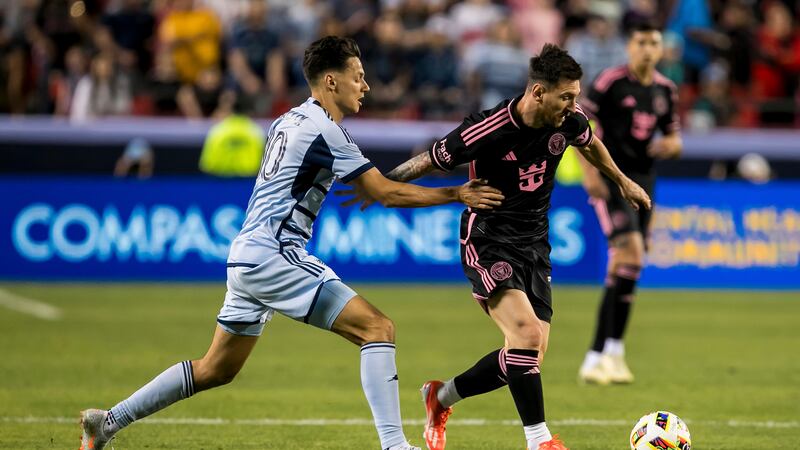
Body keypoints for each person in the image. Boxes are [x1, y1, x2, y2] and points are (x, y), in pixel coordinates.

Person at [78, 36, 505, 450]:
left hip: (246, 255)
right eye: (358, 75)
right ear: (331, 81)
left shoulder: (289, 120)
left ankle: (108, 422)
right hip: (274, 254)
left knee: (215, 369)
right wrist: (457, 194)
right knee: (378, 328)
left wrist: (378, 186)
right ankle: (395, 446)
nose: (366, 85)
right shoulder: (327, 130)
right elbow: (385, 193)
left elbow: (374, 187)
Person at [354, 44, 651, 450]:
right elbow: (428, 159)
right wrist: (381, 184)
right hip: (488, 239)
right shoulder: (489, 127)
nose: (573, 105)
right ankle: (540, 440)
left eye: (576, 96)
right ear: (537, 92)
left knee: (526, 354)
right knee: (526, 336)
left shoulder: (569, 120)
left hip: (535, 243)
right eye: (566, 97)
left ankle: (439, 397)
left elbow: (590, 142)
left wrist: (622, 181)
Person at [577, 22, 682, 386]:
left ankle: (608, 355)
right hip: (611, 179)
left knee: (627, 267)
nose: (649, 49)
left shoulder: (666, 89)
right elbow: (580, 123)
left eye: (654, 42)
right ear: (630, 46)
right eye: (642, 42)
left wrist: (671, 145)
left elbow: (674, 136)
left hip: (645, 181)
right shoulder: (609, 82)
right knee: (631, 254)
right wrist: (589, 175)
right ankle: (598, 355)